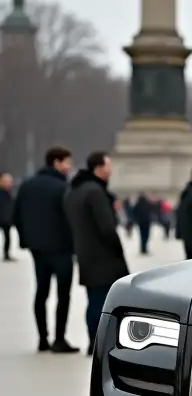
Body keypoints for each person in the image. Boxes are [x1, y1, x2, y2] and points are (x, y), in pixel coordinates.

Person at [11, 146, 79, 352]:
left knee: (41, 292)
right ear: (56, 163)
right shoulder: (63, 187)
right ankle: (59, 338)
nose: (69, 167)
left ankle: (42, 338)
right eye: (67, 162)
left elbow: (17, 216)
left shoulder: (27, 185)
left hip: (38, 248)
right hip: (61, 248)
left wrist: (27, 241)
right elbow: (71, 220)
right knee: (63, 294)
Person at [63, 151, 129, 353]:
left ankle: (93, 340)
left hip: (85, 253)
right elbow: (107, 228)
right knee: (103, 302)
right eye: (108, 166)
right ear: (98, 168)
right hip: (103, 256)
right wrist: (118, 251)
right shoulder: (95, 192)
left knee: (94, 299)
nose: (110, 171)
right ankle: (100, 343)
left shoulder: (74, 191)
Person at [0, 171, 14, 261]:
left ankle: (6, 253)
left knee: (8, 237)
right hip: (2, 218)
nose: (10, 184)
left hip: (6, 219)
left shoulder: (7, 193)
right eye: (7, 182)